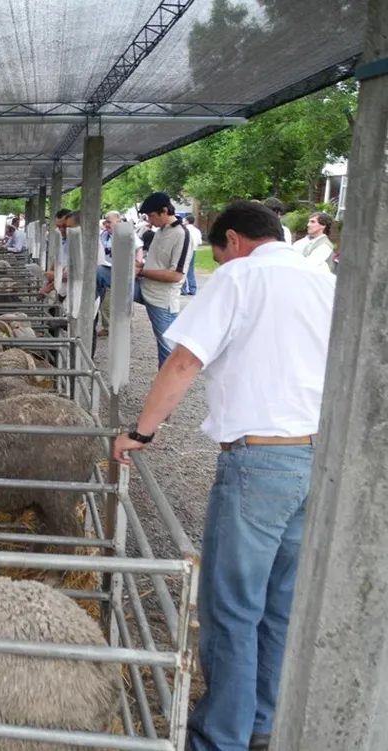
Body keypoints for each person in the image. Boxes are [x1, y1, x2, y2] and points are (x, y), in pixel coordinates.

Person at [113, 200, 335, 751]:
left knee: (232, 607)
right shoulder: (325, 279)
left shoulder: (240, 277)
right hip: (319, 458)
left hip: (259, 460)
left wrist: (141, 431)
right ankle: (261, 723)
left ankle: (220, 739)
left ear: (232, 240)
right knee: (280, 603)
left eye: (220, 252)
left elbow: (185, 361)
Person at [133, 192, 192, 369]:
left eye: (151, 216)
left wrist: (142, 271)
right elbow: (157, 262)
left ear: (164, 211)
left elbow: (176, 275)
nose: (150, 221)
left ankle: (166, 385)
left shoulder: (181, 234)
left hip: (162, 299)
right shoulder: (160, 231)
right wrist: (140, 266)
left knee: (167, 350)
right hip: (145, 287)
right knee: (103, 274)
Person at [181, 215, 203, 296]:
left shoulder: (184, 229)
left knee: (182, 269)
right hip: (193, 250)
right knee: (190, 270)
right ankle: (192, 289)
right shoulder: (197, 231)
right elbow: (200, 242)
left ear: (187, 221)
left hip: (184, 250)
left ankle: (183, 289)